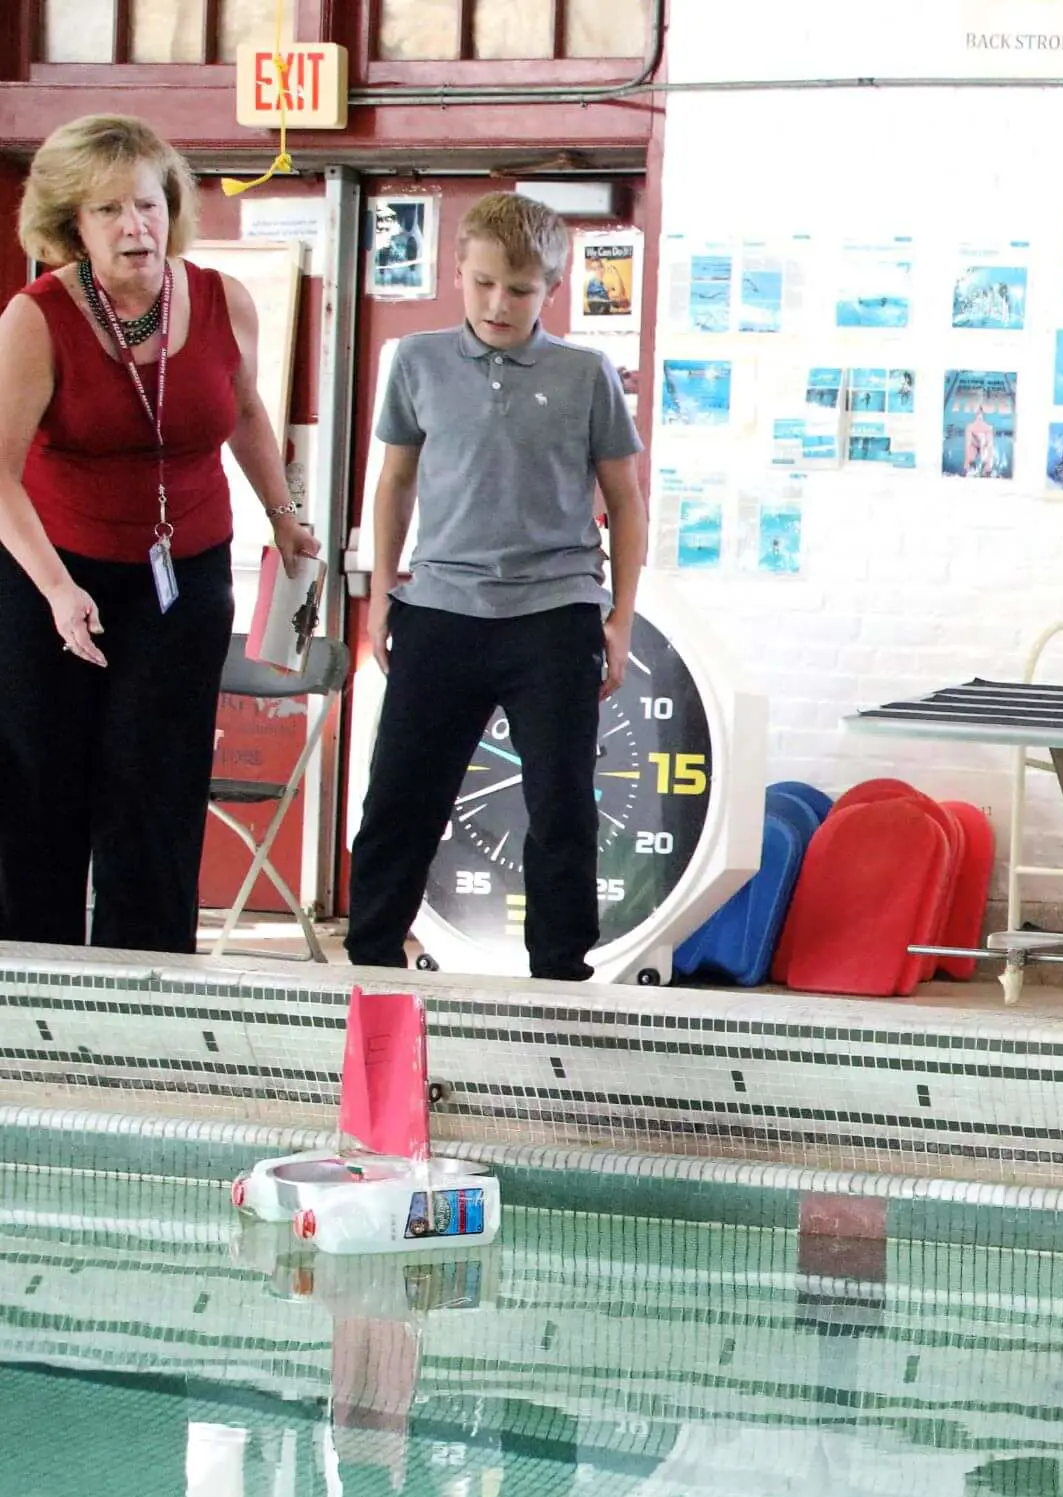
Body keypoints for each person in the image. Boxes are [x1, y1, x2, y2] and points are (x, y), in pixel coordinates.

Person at [0, 113, 319, 952]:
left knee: (156, 781)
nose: (134, 226)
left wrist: (285, 519)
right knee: (45, 783)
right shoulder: (36, 320)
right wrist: (58, 589)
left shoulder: (220, 300)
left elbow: (248, 412)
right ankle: (38, 982)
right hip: (53, 570)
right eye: (108, 211)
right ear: (73, 224)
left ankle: (147, 985)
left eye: (146, 204)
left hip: (185, 568)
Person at [345, 191, 646, 983]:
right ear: (458, 272)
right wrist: (381, 596)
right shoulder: (415, 362)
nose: (497, 304)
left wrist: (619, 619)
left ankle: (559, 972)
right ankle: (369, 960)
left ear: (551, 285)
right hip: (441, 607)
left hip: (554, 612)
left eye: (518, 289)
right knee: (400, 798)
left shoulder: (585, 375)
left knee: (561, 807)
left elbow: (625, 499)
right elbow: (395, 482)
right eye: (481, 284)